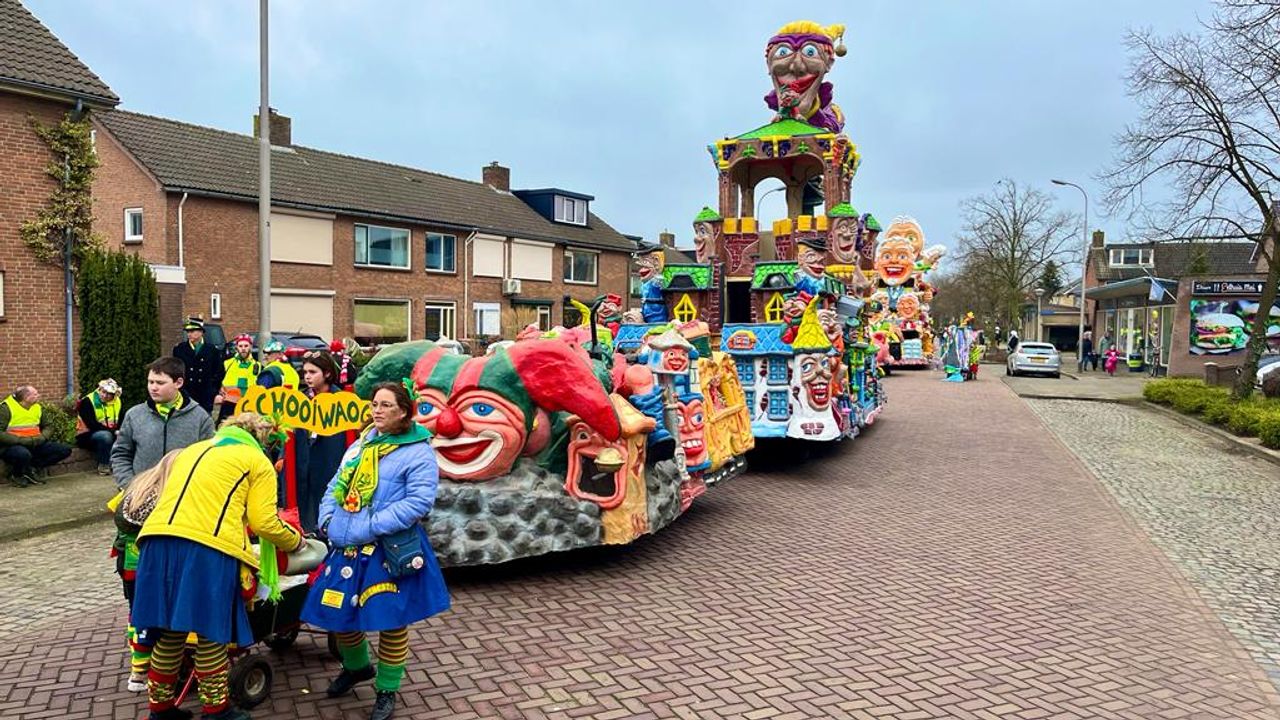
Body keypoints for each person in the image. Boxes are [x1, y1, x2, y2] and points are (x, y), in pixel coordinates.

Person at [133, 412, 304, 720]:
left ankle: (160, 710)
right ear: (266, 441)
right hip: (206, 549)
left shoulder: (193, 450)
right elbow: (263, 522)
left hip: (156, 544)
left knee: (169, 632)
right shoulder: (256, 460)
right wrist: (296, 542)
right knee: (212, 631)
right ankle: (217, 709)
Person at [302, 382, 450, 720]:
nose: (376, 410)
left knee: (391, 620)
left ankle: (387, 690)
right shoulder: (362, 443)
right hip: (346, 544)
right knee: (337, 613)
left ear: (403, 411)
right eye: (374, 404)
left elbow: (418, 503)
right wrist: (327, 520)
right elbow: (335, 484)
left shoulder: (418, 451)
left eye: (385, 405)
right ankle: (356, 667)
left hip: (389, 548)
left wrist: (368, 526)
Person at [107, 449, 182, 692]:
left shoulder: (138, 483)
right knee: (153, 615)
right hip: (148, 562)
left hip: (126, 561)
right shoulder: (168, 492)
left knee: (135, 613)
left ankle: (137, 668)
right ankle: (147, 670)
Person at [111, 357, 215, 490]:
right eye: (150, 382)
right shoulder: (134, 415)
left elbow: (209, 461)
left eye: (160, 383)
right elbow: (121, 454)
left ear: (178, 383)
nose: (153, 388)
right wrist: (129, 485)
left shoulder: (201, 418)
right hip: (140, 495)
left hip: (182, 498)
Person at [293, 351, 350, 533]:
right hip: (304, 465)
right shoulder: (300, 399)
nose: (307, 377)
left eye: (312, 372)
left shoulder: (341, 400)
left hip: (330, 465)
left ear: (326, 373)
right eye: (305, 373)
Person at [0, 385, 72, 487]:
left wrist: (42, 438)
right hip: (11, 446)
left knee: (65, 450)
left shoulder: (37, 407)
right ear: (26, 398)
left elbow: (49, 425)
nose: (38, 395)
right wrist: (21, 440)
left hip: (36, 443)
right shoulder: (5, 408)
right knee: (23, 454)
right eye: (35, 394)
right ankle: (17, 475)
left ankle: (31, 468)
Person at [172, 318, 225, 413]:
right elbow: (176, 370)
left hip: (205, 394)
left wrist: (213, 390)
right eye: (188, 331)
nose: (189, 334)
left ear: (201, 332)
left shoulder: (212, 350)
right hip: (187, 392)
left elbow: (219, 372)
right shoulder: (179, 349)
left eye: (192, 331)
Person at [77, 378, 124, 476]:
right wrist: (114, 432)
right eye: (103, 392)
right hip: (87, 435)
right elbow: (92, 425)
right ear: (99, 390)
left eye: (109, 393)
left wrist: (120, 431)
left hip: (111, 432)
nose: (105, 396)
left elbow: (121, 419)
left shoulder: (117, 402)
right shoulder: (87, 401)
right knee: (105, 436)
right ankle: (104, 466)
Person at [217, 334, 261, 423]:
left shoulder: (258, 366)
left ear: (251, 347)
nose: (243, 348)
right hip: (229, 404)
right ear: (237, 347)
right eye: (240, 346)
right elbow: (217, 380)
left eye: (246, 346)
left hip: (248, 405)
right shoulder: (227, 363)